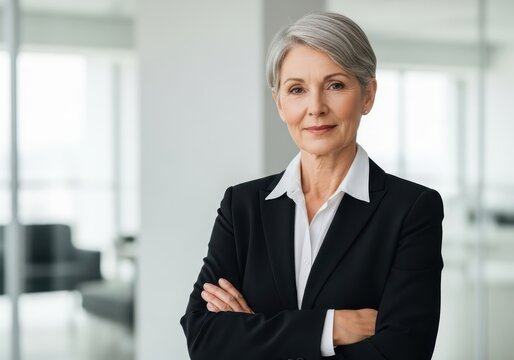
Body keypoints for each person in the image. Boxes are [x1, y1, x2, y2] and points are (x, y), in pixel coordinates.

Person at [180, 11, 443, 360]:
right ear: (279, 103)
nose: (315, 108)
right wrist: (330, 328)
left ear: (368, 95)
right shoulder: (241, 206)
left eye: (335, 85)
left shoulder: (411, 210)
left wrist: (254, 332)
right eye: (297, 89)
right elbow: (203, 339)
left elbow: (403, 351)